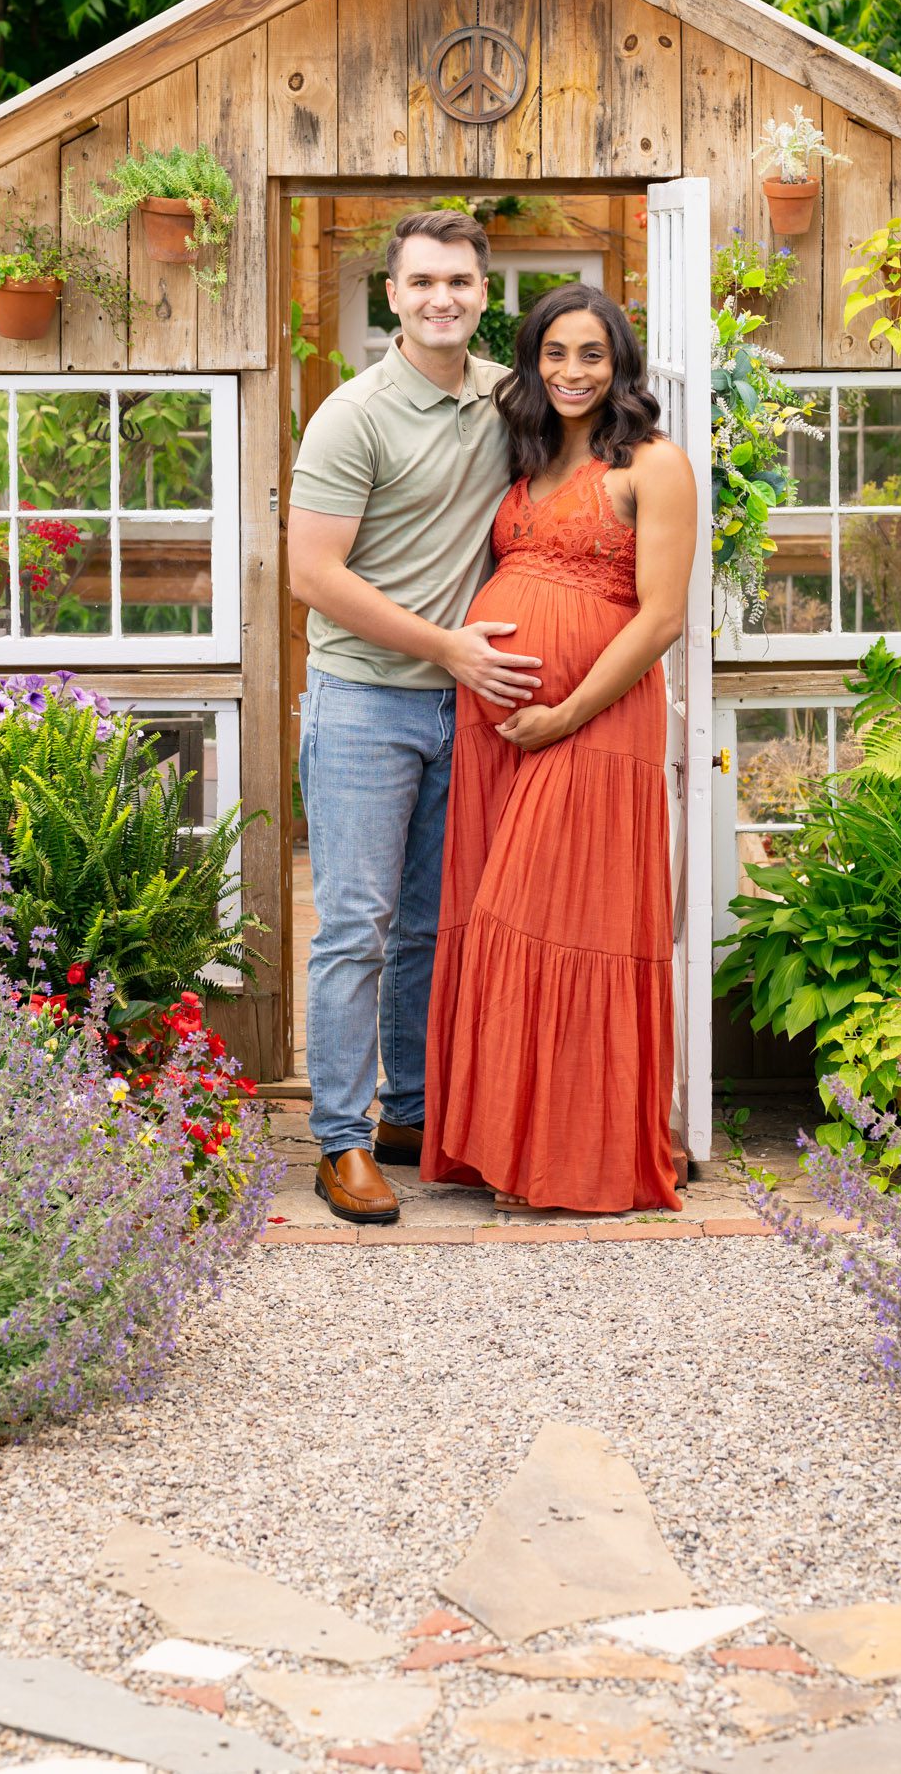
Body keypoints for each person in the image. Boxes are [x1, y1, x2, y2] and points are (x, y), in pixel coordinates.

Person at [287, 208, 542, 1226]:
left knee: (432, 926)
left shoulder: (509, 403)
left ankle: (411, 1112)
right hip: (363, 701)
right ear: (389, 295)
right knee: (355, 921)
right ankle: (340, 1141)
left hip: (467, 708)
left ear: (484, 295)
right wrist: (443, 647)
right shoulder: (352, 415)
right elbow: (312, 574)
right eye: (423, 280)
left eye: (462, 282)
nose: (443, 297)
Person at [421, 282, 698, 1215]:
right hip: (498, 729)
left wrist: (565, 711)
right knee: (490, 920)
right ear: (532, 363)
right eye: (554, 353)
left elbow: (659, 618)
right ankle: (505, 1150)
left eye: (591, 353)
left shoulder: (653, 465)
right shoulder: (528, 458)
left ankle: (571, 1155)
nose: (573, 372)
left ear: (620, 362)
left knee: (548, 921)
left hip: (592, 724)